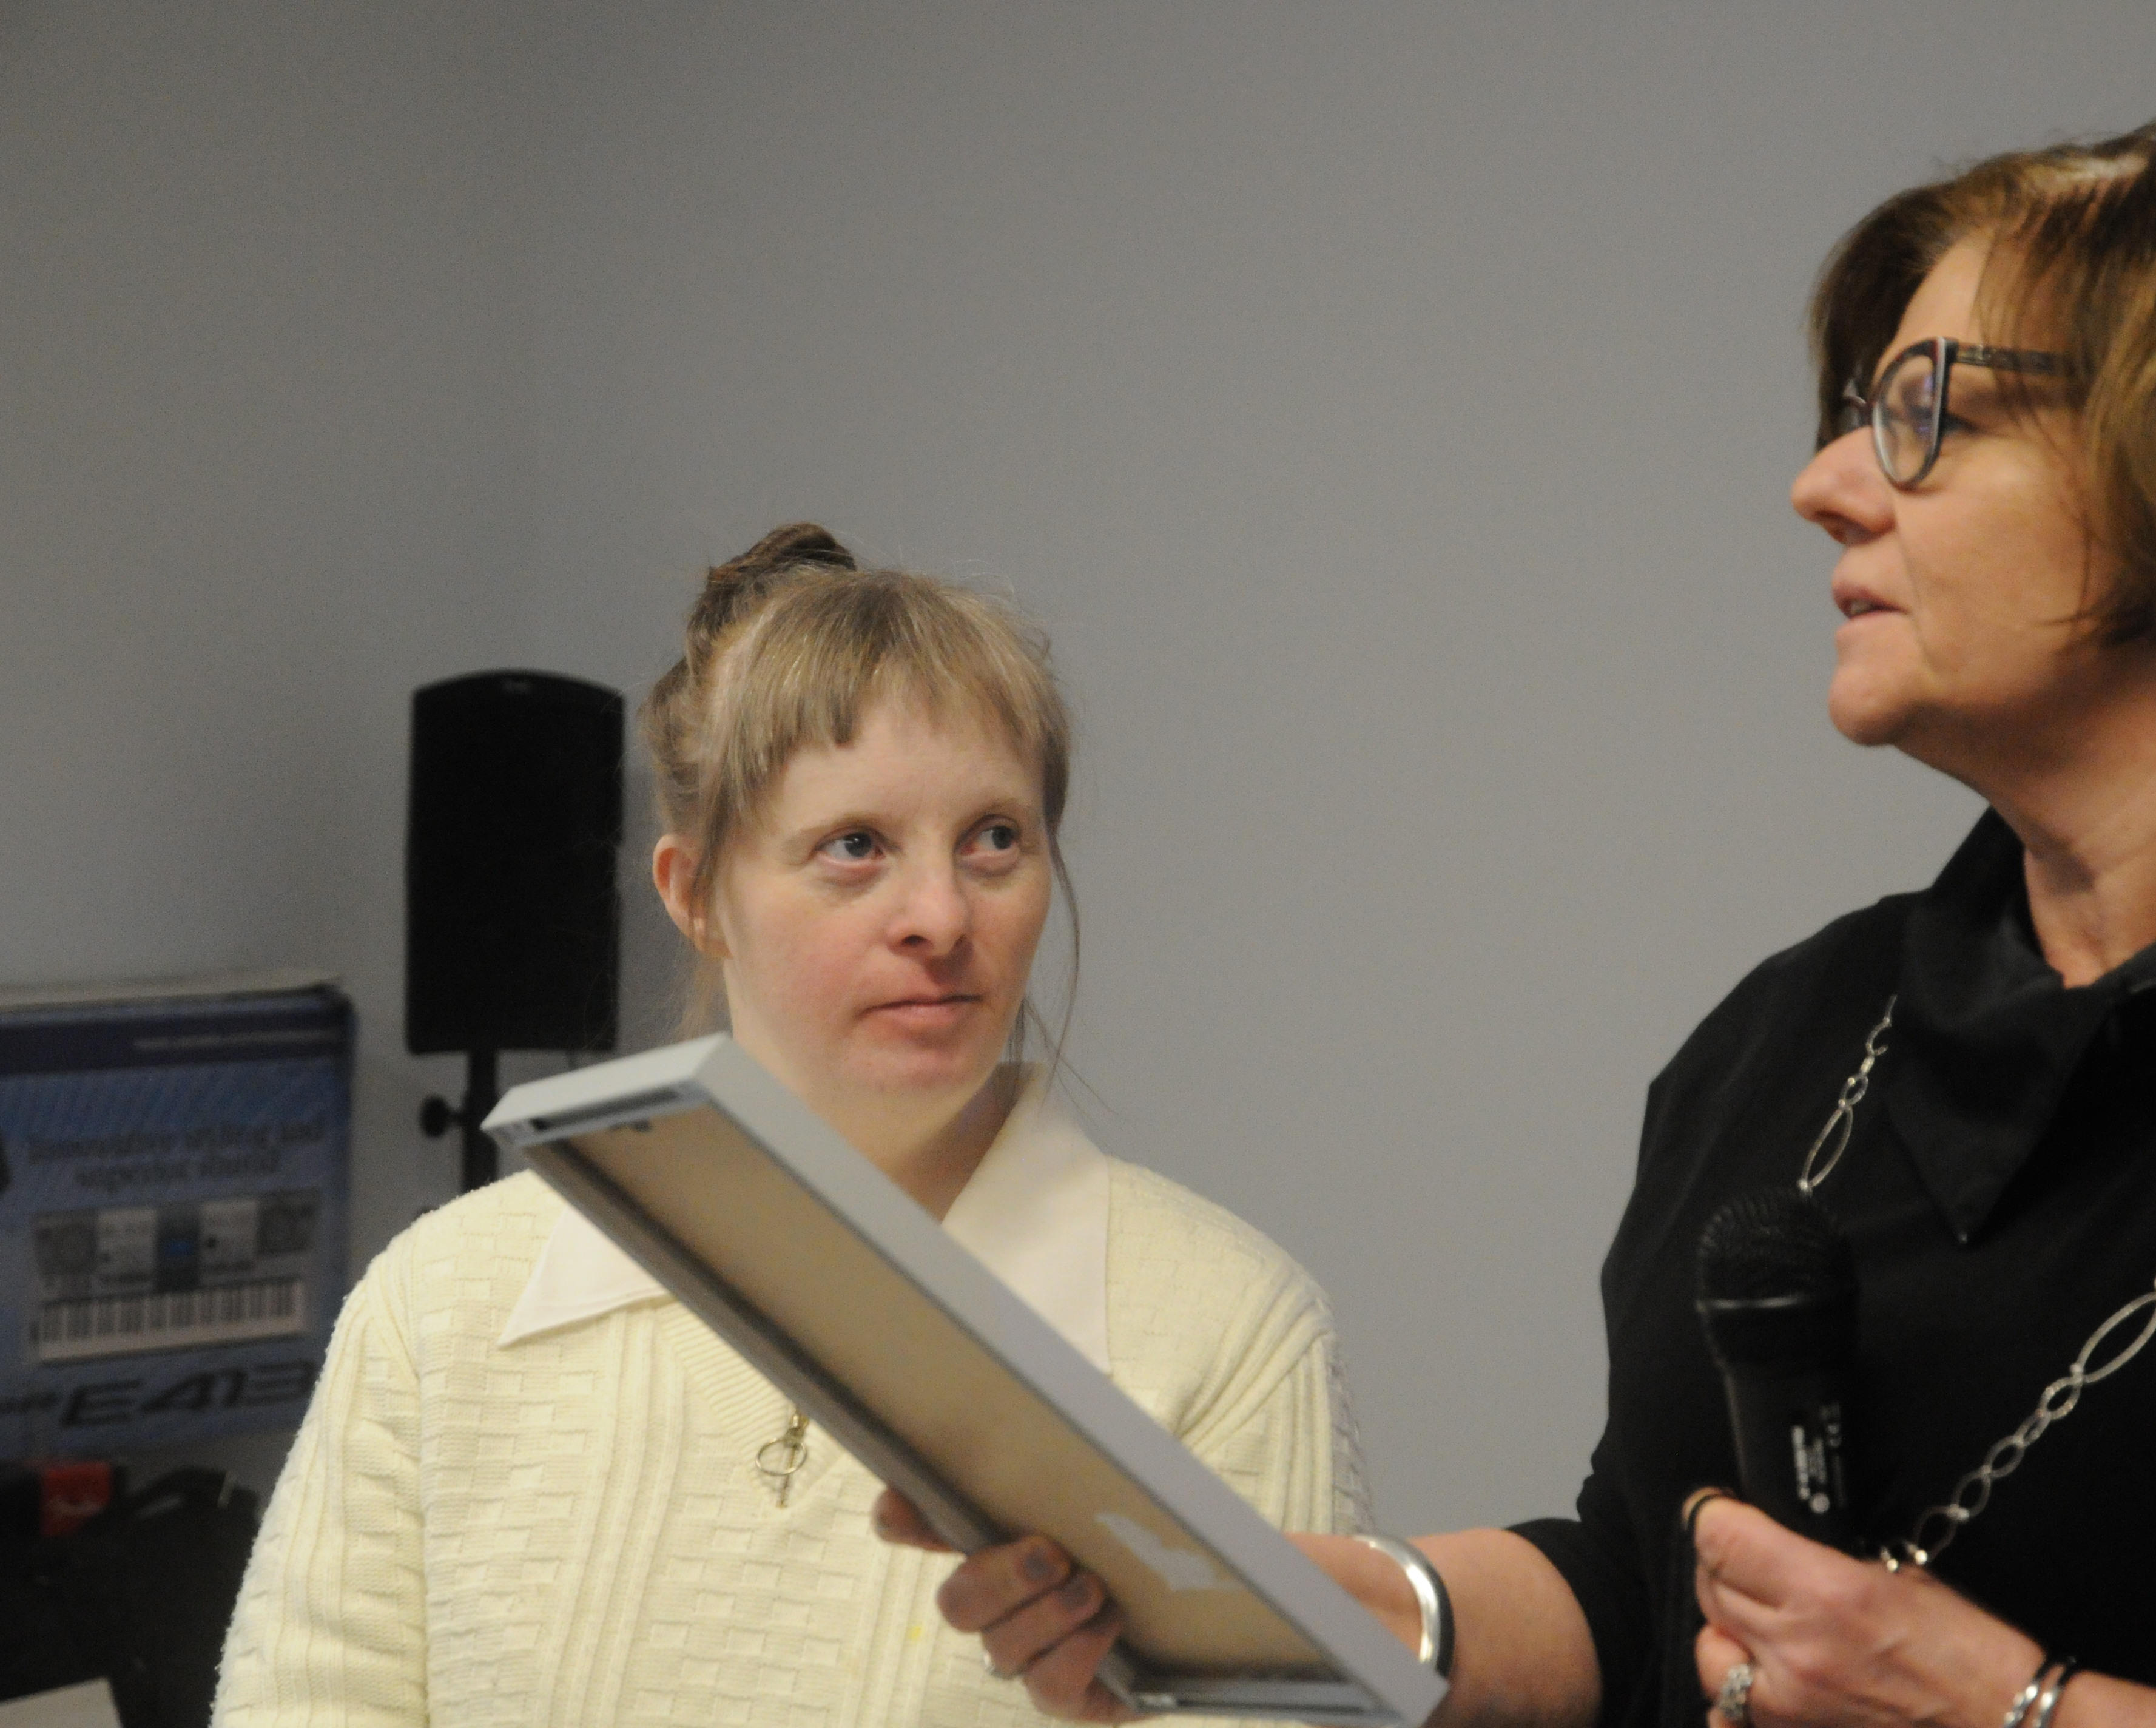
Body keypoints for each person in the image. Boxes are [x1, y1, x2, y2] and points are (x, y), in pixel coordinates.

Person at [891, 112, 2156, 1726]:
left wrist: (2012, 1708)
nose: (1821, 488)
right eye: (1857, 418)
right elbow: (1646, 1596)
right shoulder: (1795, 1037)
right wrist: (1307, 1609)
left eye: (1928, 415)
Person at [214, 525, 1370, 1726]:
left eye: (994, 839)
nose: (940, 916)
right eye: (854, 848)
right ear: (696, 894)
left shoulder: (1229, 1332)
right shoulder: (440, 1307)